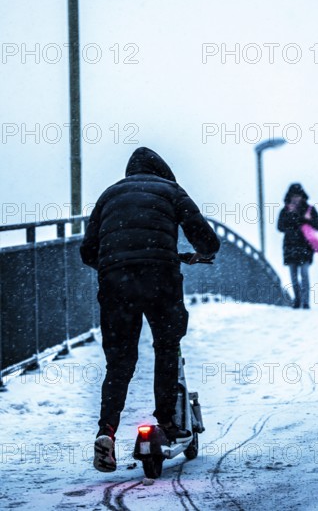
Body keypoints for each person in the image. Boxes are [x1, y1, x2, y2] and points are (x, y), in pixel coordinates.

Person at [80, 147, 220, 472]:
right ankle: (168, 422)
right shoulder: (170, 190)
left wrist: (116, 262)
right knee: (166, 347)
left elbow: (88, 251)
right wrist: (199, 253)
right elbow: (207, 239)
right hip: (160, 277)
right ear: (162, 172)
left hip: (116, 281)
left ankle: (107, 432)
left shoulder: (108, 195)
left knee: (119, 363)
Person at [277, 183, 318, 309]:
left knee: (304, 274)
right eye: (294, 196)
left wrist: (306, 220)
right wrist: (291, 218)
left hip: (305, 247)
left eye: (298, 196)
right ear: (289, 197)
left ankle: (305, 302)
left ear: (302, 196)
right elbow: (280, 227)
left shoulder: (309, 209)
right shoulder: (285, 210)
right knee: (294, 276)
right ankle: (298, 299)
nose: (296, 198)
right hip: (290, 247)